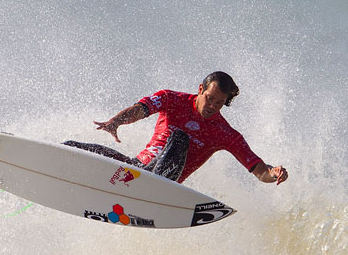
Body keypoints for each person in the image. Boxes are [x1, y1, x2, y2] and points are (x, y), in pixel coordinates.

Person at [65, 71, 288, 186]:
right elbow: (142, 109)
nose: (212, 106)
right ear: (200, 89)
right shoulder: (172, 99)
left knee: (180, 138)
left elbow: (259, 169)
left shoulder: (224, 133)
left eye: (219, 103)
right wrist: (116, 121)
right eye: (210, 98)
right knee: (71, 147)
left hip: (163, 182)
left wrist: (273, 173)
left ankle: (152, 186)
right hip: (136, 169)